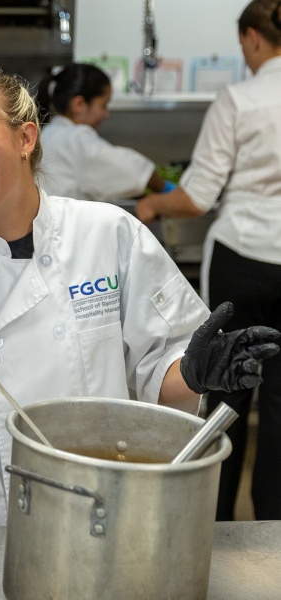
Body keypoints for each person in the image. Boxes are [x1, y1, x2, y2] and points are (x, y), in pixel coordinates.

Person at [0, 66, 280, 528]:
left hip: (98, 506)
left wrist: (194, 373)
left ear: (26, 137)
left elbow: (161, 369)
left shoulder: (108, 233)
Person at [136, 0, 281, 521]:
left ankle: (213, 524)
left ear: (253, 39)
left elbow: (197, 196)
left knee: (225, 388)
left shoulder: (238, 99)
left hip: (242, 258)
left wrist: (152, 204)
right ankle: (275, 530)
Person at [38, 62, 175, 201]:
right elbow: (130, 170)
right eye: (104, 105)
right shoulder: (75, 138)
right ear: (78, 104)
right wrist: (165, 188)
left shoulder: (49, 133)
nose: (106, 114)